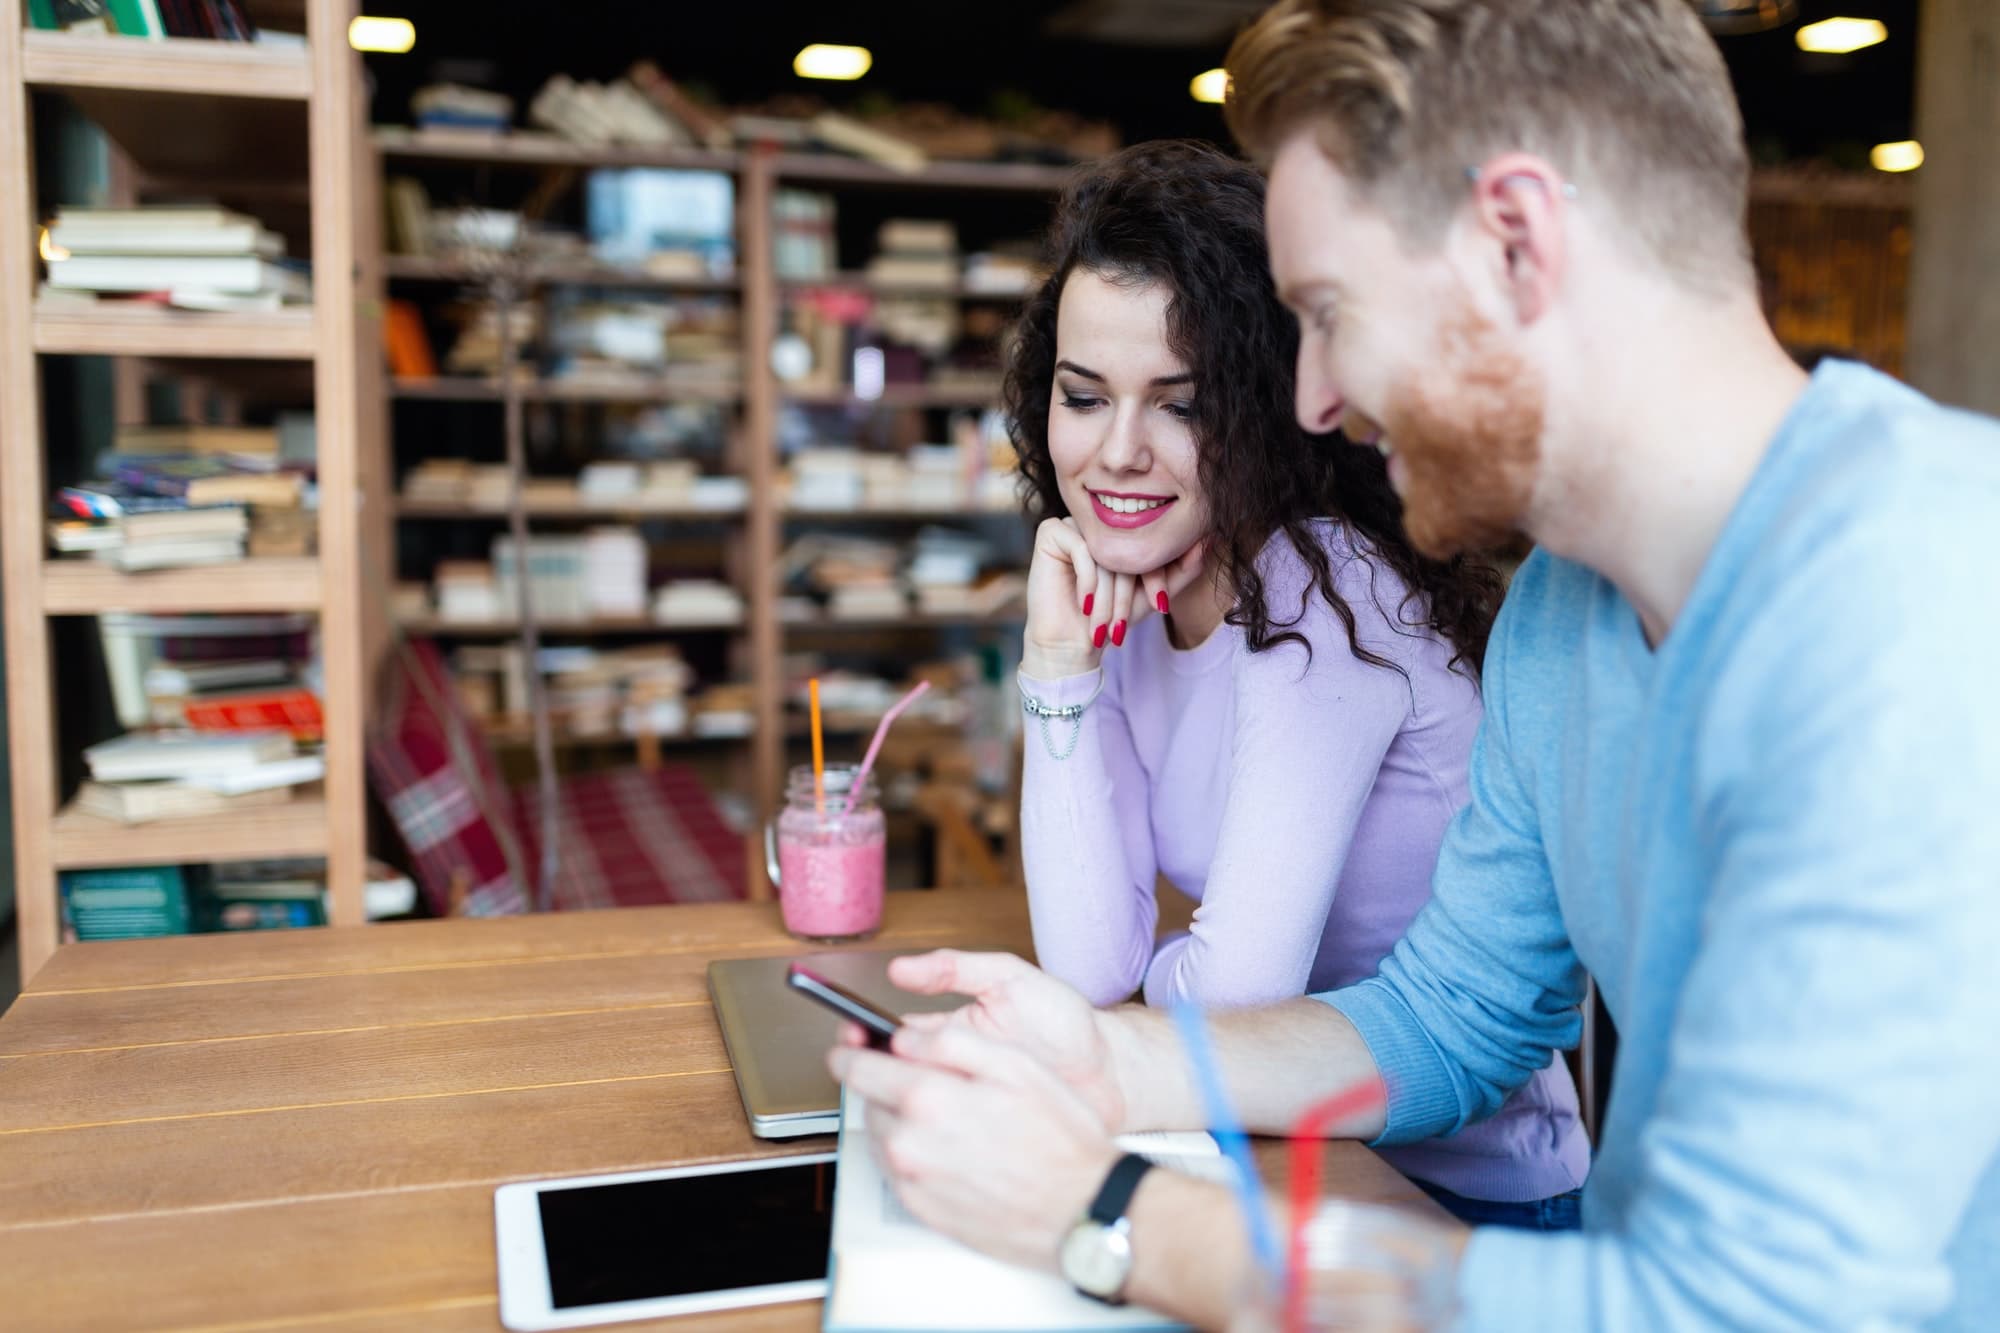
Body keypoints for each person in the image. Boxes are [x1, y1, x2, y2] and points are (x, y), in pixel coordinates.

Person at [830, 2, 2000, 1330]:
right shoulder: (1568, 606)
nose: (1312, 397)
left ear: (1516, 242)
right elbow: (1453, 1016)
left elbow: (1733, 1311)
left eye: (1329, 313)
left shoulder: (1918, 609)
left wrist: (1109, 1218)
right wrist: (1107, 1056)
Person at [1004, 139, 1585, 1227]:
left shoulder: (1326, 590)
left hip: (1460, 1197)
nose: (1117, 452)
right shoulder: (1130, 589)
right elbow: (1088, 965)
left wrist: (1161, 977)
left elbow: (1238, 994)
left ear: (1267, 406)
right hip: (1276, 1153)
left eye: (1181, 404)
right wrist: (1058, 668)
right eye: (1084, 396)